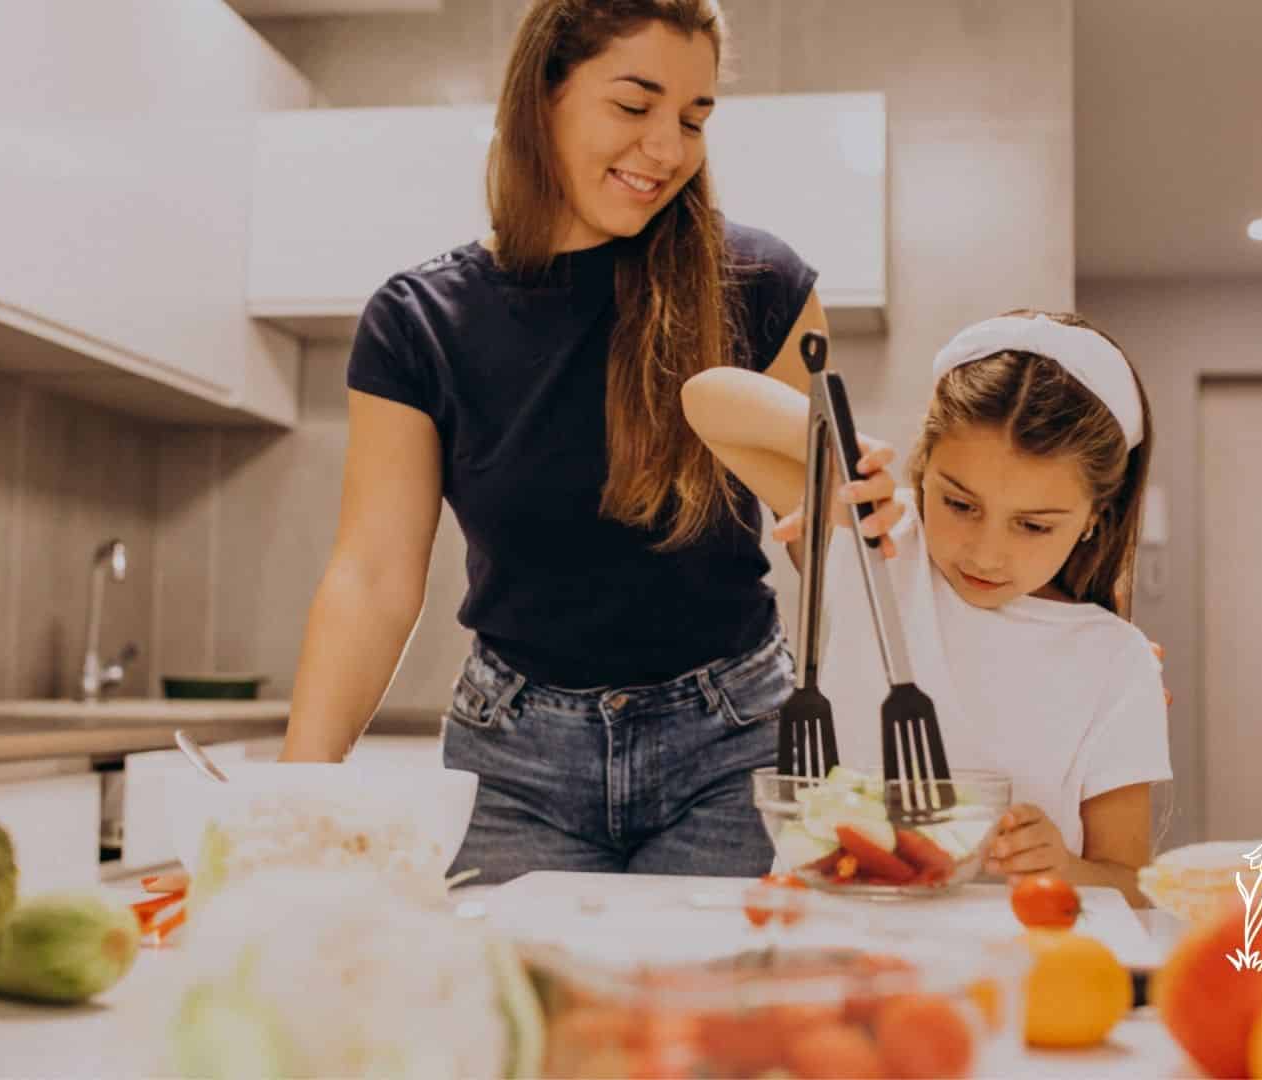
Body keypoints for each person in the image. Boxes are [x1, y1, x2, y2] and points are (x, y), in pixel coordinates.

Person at [279, 0, 902, 886]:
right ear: (545, 94)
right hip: (514, 764)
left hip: (735, 752)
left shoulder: (762, 286)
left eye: (693, 118)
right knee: (525, 1018)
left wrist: (882, 534)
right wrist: (297, 798)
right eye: (634, 105)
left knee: (711, 1021)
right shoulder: (418, 323)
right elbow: (373, 576)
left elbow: (820, 532)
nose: (667, 149)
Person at [682, 310, 1172, 902]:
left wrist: (1064, 865)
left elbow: (1135, 883)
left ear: (1096, 517)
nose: (987, 554)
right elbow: (703, 400)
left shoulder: (1115, 661)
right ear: (924, 463)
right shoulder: (877, 546)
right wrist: (839, 454)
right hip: (829, 929)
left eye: (1034, 525)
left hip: (1005, 958)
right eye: (960, 504)